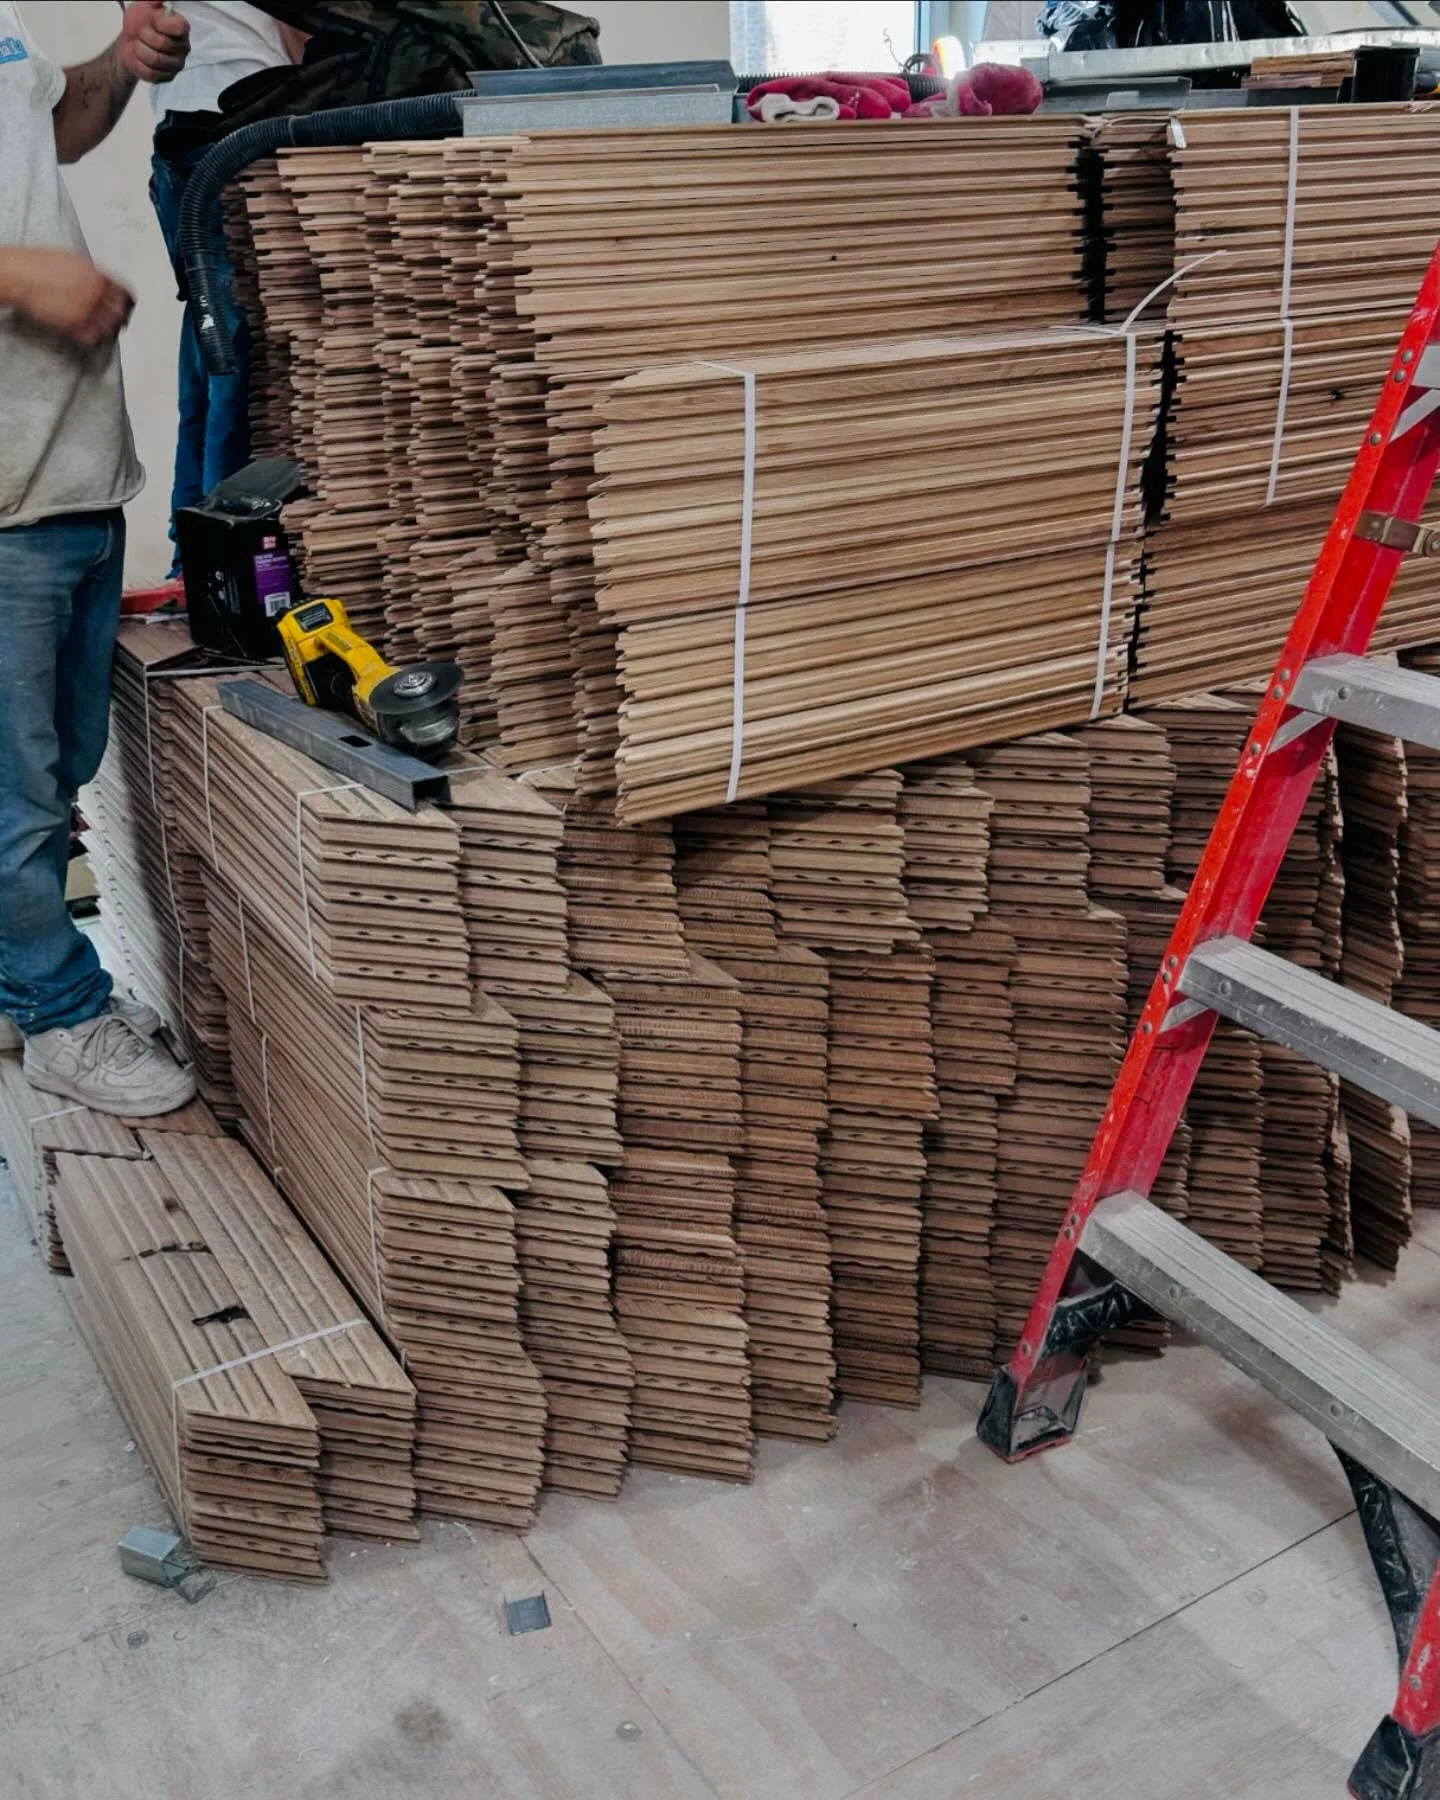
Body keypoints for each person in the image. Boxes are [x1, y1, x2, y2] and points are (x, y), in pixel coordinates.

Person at [0, 0, 198, 1116]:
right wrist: (18, 274)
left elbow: (54, 125)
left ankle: (20, 975)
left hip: (67, 459)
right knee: (13, 793)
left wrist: (117, 66)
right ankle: (61, 1014)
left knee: (58, 763)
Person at [147, 4, 302, 572]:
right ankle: (216, 566)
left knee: (208, 354)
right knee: (232, 367)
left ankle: (188, 561)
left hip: (183, 135)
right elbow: (307, 30)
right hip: (241, 127)